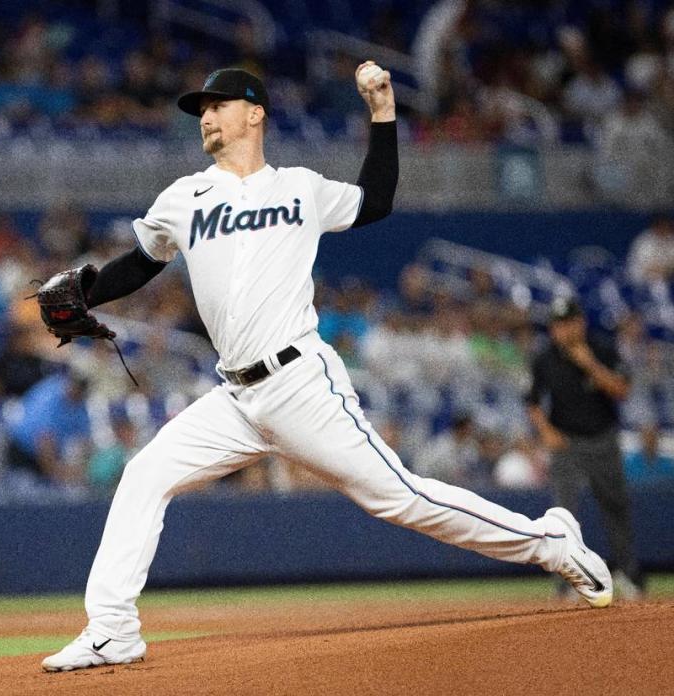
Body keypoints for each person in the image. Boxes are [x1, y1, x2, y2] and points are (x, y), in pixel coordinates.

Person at [41, 65, 613, 673]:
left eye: (217, 104)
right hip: (234, 397)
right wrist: (88, 293)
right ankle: (112, 630)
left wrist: (384, 113)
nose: (205, 116)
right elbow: (140, 264)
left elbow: (377, 199)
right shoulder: (184, 198)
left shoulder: (300, 189)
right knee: (145, 474)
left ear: (255, 113)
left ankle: (550, 541)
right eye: (200, 109)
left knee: (401, 499)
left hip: (300, 383)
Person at [527, 297, 644, 599]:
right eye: (557, 325)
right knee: (562, 514)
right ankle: (566, 581)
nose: (562, 331)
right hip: (566, 443)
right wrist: (546, 431)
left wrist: (589, 363)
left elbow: (622, 390)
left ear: (581, 322)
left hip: (602, 438)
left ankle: (628, 574)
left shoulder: (602, 348)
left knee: (616, 507)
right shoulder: (545, 357)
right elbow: (532, 401)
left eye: (568, 323)